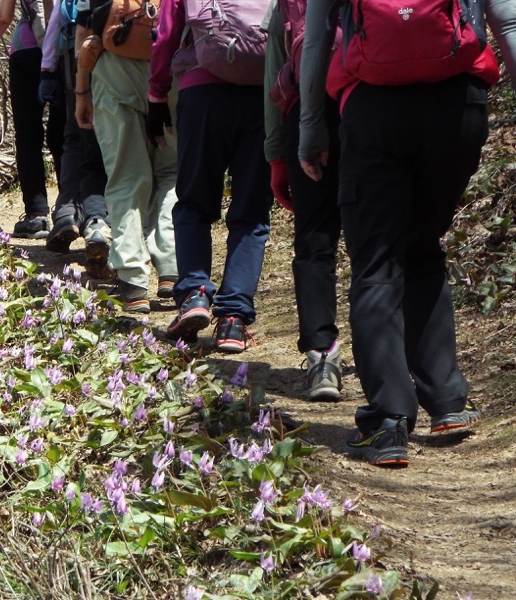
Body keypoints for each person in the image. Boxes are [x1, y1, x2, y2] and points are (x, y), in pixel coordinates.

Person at [297, 0, 516, 466]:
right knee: (422, 246)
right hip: (458, 106)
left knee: (376, 262)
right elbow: (508, 18)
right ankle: (447, 400)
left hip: (374, 108)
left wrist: (311, 126)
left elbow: (316, 41)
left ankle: (387, 421)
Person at [148, 0, 272, 352]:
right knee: (251, 211)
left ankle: (195, 295)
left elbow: (166, 34)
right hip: (263, 94)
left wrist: (156, 94)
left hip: (202, 91)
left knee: (193, 202)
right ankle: (233, 319)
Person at [73, 0, 179, 313]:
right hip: (172, 68)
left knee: (126, 176)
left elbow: (90, 33)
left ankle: (133, 279)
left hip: (114, 72)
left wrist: (81, 91)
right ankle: (172, 267)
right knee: (172, 172)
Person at [263, 0, 343, 397]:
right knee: (381, 243)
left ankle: (322, 356)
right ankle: (396, 360)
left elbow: (274, 71)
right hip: (379, 105)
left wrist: (276, 155)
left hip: (310, 112)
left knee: (315, 238)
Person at [0, 0, 65, 239]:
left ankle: (37, 215)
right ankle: (68, 209)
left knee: (28, 134)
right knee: (63, 131)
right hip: (65, 50)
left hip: (26, 52)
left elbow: (4, 16)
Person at [38, 0, 113, 278]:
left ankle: (69, 213)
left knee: (76, 139)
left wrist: (47, 68)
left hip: (78, 57)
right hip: (128, 58)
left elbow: (60, 18)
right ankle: (99, 221)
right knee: (105, 148)